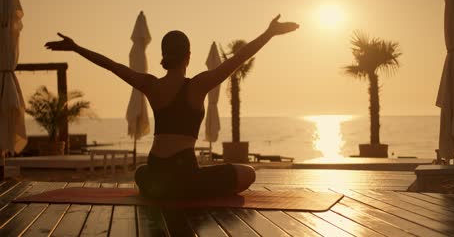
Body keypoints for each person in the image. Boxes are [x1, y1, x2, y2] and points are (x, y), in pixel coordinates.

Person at [45, 14, 299, 199]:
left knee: (141, 172)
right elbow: (237, 59)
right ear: (188, 56)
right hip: (184, 177)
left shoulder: (150, 85)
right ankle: (191, 191)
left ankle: (170, 189)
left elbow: (111, 65)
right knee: (248, 173)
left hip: (154, 173)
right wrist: (269, 33)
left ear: (165, 55)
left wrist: (76, 48)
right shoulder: (198, 85)